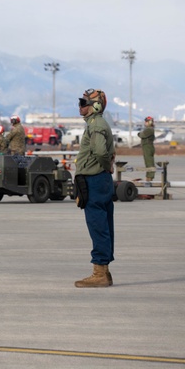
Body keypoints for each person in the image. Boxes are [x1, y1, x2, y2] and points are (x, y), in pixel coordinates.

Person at [74, 88, 116, 288]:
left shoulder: (96, 124)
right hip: (98, 179)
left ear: (96, 105)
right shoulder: (94, 123)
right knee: (103, 224)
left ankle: (99, 271)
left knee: (97, 224)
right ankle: (103, 271)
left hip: (95, 180)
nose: (81, 105)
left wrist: (106, 164)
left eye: (84, 102)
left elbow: (99, 151)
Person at [139, 116, 156, 181]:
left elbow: (142, 135)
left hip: (148, 147)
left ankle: (150, 176)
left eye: (146, 121)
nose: (145, 123)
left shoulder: (149, 129)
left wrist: (139, 134)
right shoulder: (149, 129)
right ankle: (149, 175)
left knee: (149, 162)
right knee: (148, 162)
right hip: (147, 146)